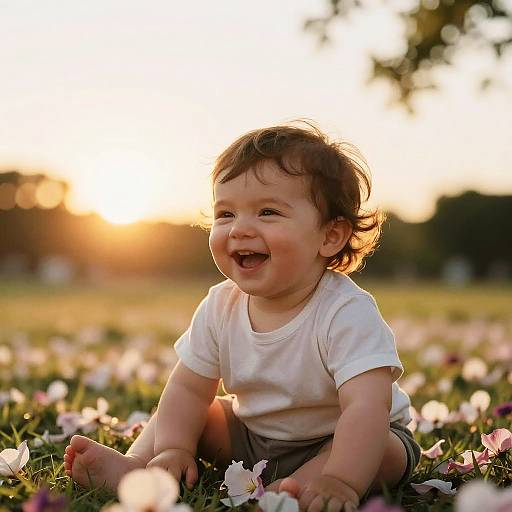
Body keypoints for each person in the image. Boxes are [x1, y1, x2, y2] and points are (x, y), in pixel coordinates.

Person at [64, 122, 420, 511]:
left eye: (267, 212)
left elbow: (366, 407)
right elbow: (187, 388)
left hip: (338, 439)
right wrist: (175, 446)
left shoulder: (345, 312)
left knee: (383, 449)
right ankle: (138, 469)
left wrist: (342, 478)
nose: (240, 229)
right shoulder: (221, 305)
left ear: (330, 236)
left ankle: (305, 488)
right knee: (198, 412)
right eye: (225, 213)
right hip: (251, 435)